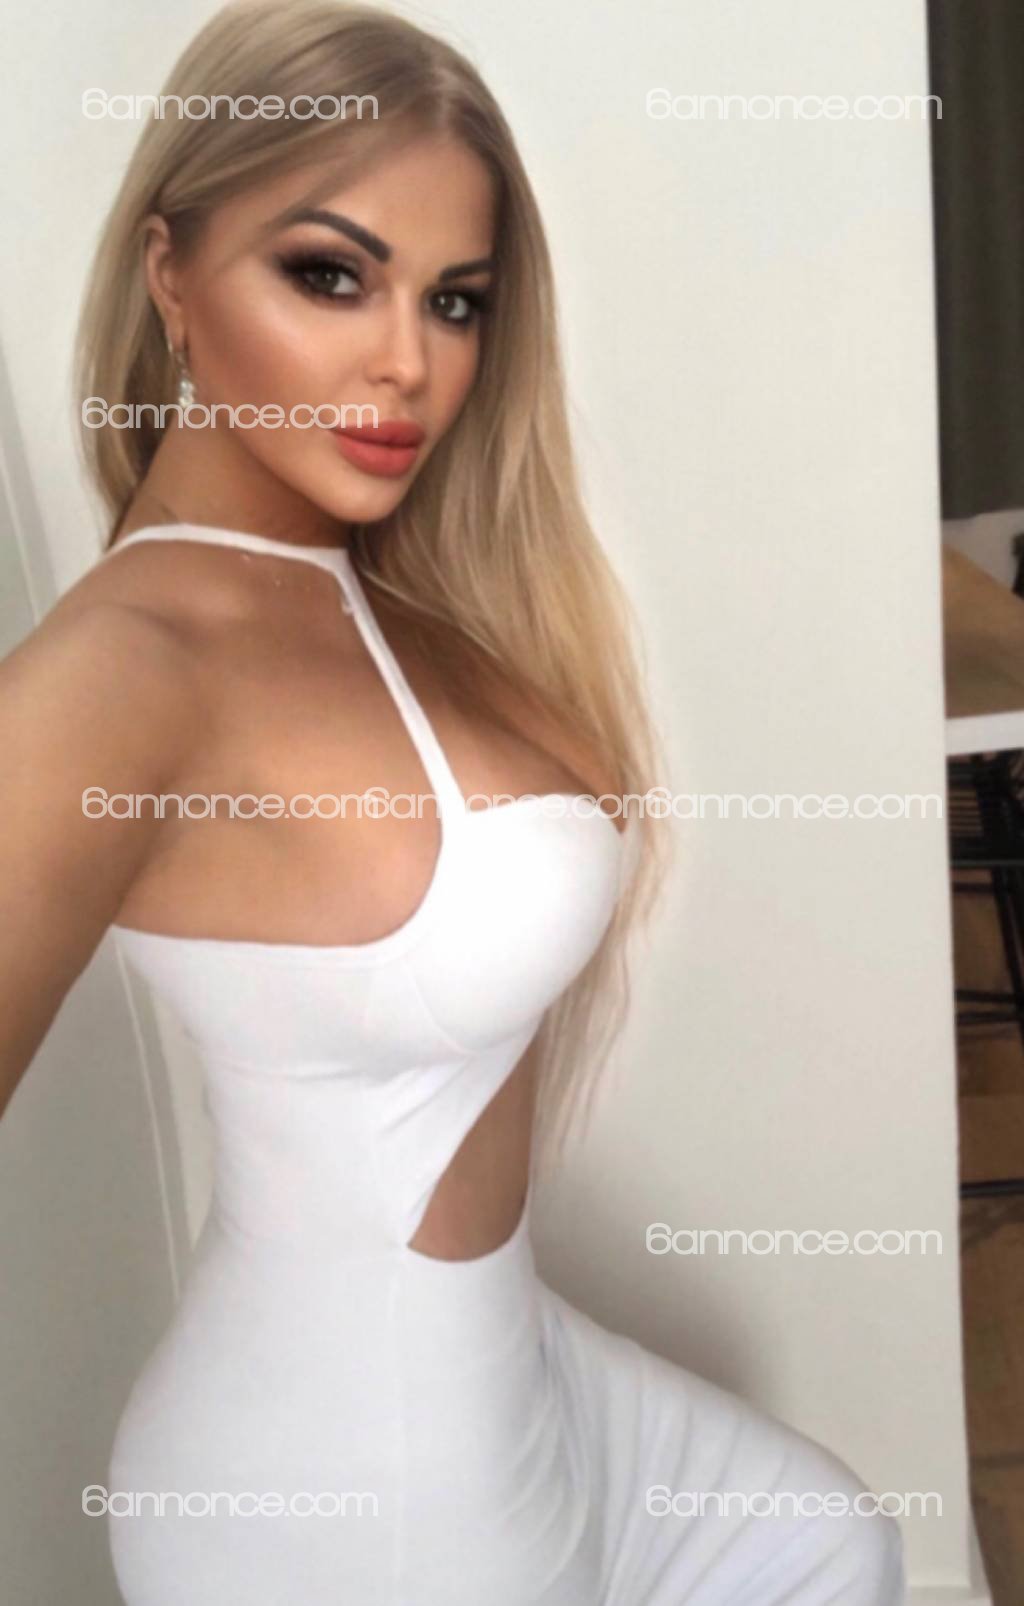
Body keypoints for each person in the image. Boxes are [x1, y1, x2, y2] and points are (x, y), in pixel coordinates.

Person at [0, 1, 906, 1600]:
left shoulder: (373, 585)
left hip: (517, 1370)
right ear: (170, 275)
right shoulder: (127, 672)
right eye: (329, 274)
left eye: (456, 299)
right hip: (350, 1490)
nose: (408, 365)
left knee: (830, 1539)